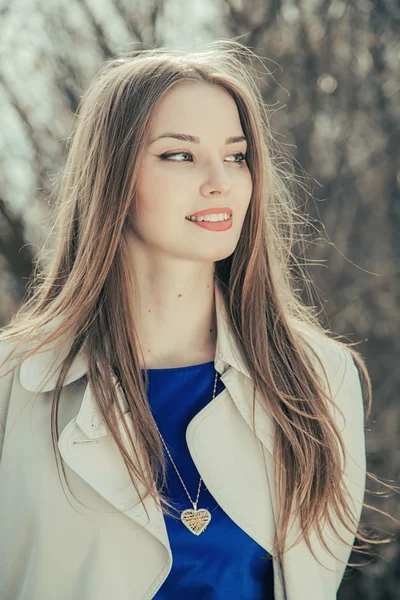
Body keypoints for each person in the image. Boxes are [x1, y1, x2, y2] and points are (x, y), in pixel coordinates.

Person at [0, 41, 376, 599]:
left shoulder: (321, 378)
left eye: (236, 155)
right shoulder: (14, 381)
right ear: (113, 176)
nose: (220, 181)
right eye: (180, 155)